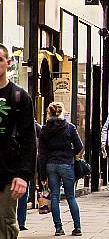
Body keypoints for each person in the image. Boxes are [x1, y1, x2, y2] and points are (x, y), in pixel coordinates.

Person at [0, 44, 36, 239]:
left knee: (5, 225)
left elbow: (29, 138)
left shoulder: (19, 97)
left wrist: (23, 175)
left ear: (8, 63)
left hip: (7, 173)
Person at [38, 102, 84, 236]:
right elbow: (79, 146)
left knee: (55, 197)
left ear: (49, 113)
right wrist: (70, 153)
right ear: (62, 112)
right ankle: (77, 227)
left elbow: (42, 154)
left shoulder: (44, 129)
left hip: (51, 165)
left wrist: (42, 176)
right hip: (66, 164)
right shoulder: (69, 127)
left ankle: (58, 228)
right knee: (71, 196)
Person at [16, 119, 41, 231]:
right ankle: (21, 222)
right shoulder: (32, 124)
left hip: (18, 164)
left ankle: (21, 222)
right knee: (23, 196)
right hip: (23, 165)